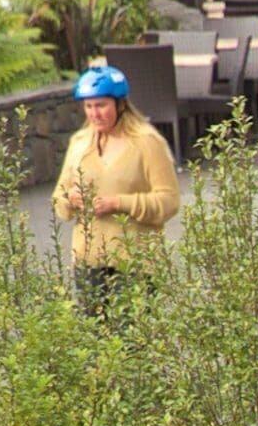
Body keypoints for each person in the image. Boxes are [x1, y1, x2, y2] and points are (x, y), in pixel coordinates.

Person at [51, 63, 177, 314]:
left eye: (101, 105)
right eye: (88, 106)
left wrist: (119, 203)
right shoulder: (79, 144)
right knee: (94, 341)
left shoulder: (147, 142)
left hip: (134, 262)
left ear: (120, 104)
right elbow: (58, 200)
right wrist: (70, 200)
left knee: (130, 343)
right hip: (88, 261)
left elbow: (169, 201)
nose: (94, 113)